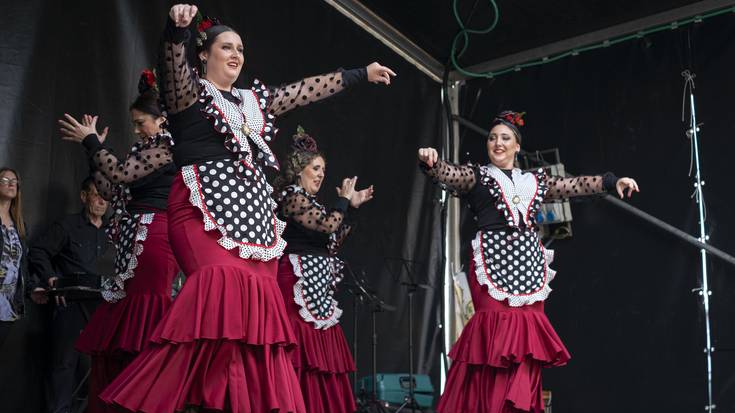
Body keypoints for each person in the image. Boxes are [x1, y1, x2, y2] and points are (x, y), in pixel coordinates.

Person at [100, 4, 395, 412]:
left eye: (240, 48)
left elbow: (304, 90)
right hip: (202, 211)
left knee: (254, 318)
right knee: (216, 290)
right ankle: (157, 400)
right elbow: (170, 68)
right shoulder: (189, 94)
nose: (236, 54)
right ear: (204, 54)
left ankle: (236, 402)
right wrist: (176, 31)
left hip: (255, 221)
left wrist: (359, 74)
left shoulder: (253, 102)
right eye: (226, 47)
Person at [418, 111, 640, 413]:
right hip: (491, 264)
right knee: (493, 336)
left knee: (525, 343)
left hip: (528, 265)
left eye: (505, 138)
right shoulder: (477, 175)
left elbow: (573, 185)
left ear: (517, 146)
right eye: (492, 138)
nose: (497, 143)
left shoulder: (534, 180)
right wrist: (432, 162)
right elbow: (448, 174)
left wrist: (612, 181)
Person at [57, 69, 180, 413]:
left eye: (142, 122)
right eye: (135, 124)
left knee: (147, 321)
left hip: (154, 239)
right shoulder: (146, 148)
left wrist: (93, 143)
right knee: (125, 329)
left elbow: (121, 173)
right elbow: (112, 189)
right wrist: (93, 153)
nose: (138, 130)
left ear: (161, 119)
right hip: (132, 241)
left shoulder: (167, 147)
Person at [273, 128, 373, 412]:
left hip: (317, 285)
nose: (320, 175)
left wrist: (351, 209)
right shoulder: (292, 197)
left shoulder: (310, 202)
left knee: (319, 352)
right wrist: (343, 201)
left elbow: (333, 241)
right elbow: (329, 224)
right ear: (299, 169)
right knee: (300, 351)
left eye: (323, 170)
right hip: (295, 282)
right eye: (315, 168)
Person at [29, 177, 110, 413]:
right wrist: (50, 277)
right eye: (96, 194)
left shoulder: (114, 230)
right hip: (71, 304)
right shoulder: (67, 225)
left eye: (105, 195)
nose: (101, 200)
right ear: (83, 196)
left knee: (103, 367)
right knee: (63, 366)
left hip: (106, 305)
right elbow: (38, 251)